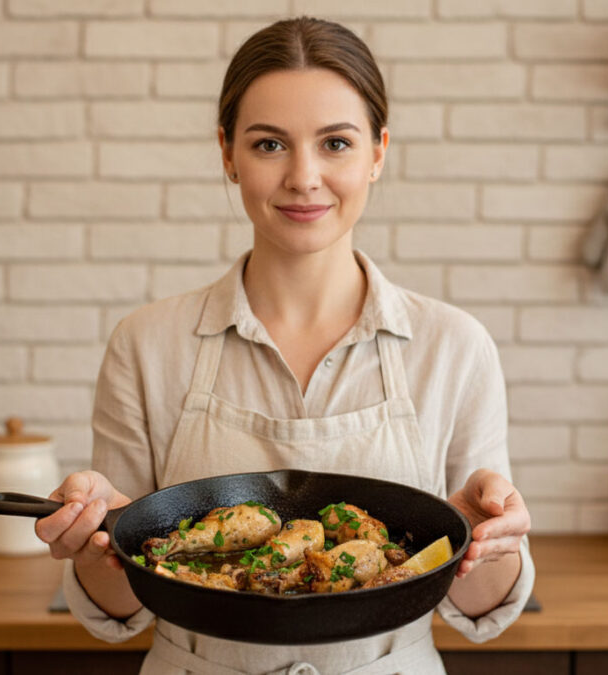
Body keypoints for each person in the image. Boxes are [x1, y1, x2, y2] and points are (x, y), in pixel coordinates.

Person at [35, 16, 534, 675]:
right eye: (269, 144)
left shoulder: (455, 347)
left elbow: (481, 608)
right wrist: (96, 543)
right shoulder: (146, 345)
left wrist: (483, 540)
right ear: (227, 154)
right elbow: (120, 606)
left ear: (378, 153)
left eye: (336, 143)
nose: (304, 176)